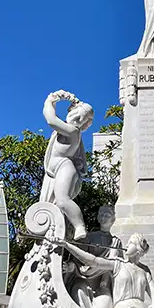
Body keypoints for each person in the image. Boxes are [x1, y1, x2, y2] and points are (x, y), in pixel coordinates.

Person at [40, 90, 93, 240]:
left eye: (82, 117)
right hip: (57, 170)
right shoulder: (70, 129)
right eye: (77, 113)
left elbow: (51, 120)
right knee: (55, 204)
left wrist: (50, 101)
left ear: (85, 123)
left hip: (65, 167)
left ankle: (79, 226)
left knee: (62, 200)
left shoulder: (72, 131)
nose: (77, 117)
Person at [70, 206, 123, 308]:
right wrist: (73, 267)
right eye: (102, 215)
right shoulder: (89, 237)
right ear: (98, 218)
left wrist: (105, 280)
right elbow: (79, 259)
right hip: (85, 279)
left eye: (107, 216)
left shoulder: (116, 242)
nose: (104, 218)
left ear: (113, 220)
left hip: (103, 284)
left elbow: (119, 269)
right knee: (78, 291)